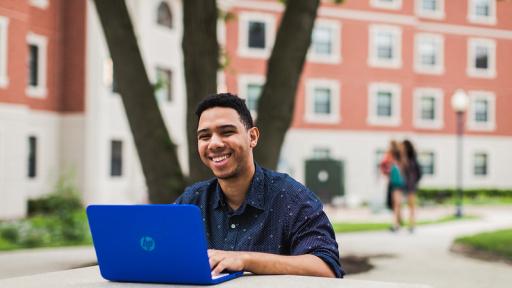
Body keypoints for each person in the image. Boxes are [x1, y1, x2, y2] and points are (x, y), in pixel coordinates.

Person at [175, 93, 344, 278]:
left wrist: (245, 260)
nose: (214, 143)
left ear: (252, 137)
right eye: (204, 136)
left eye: (227, 132)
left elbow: (326, 268)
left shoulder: (292, 197)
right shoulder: (191, 200)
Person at [381, 140, 407, 232]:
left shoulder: (393, 157)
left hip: (397, 183)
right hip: (396, 182)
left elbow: (383, 165)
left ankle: (395, 224)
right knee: (397, 203)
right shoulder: (398, 158)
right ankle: (399, 220)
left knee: (396, 203)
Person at [402, 139, 422, 233]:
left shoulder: (413, 159)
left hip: (411, 185)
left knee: (411, 205)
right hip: (402, 185)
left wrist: (414, 182)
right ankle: (400, 222)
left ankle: (412, 224)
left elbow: (419, 173)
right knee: (399, 204)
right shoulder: (402, 158)